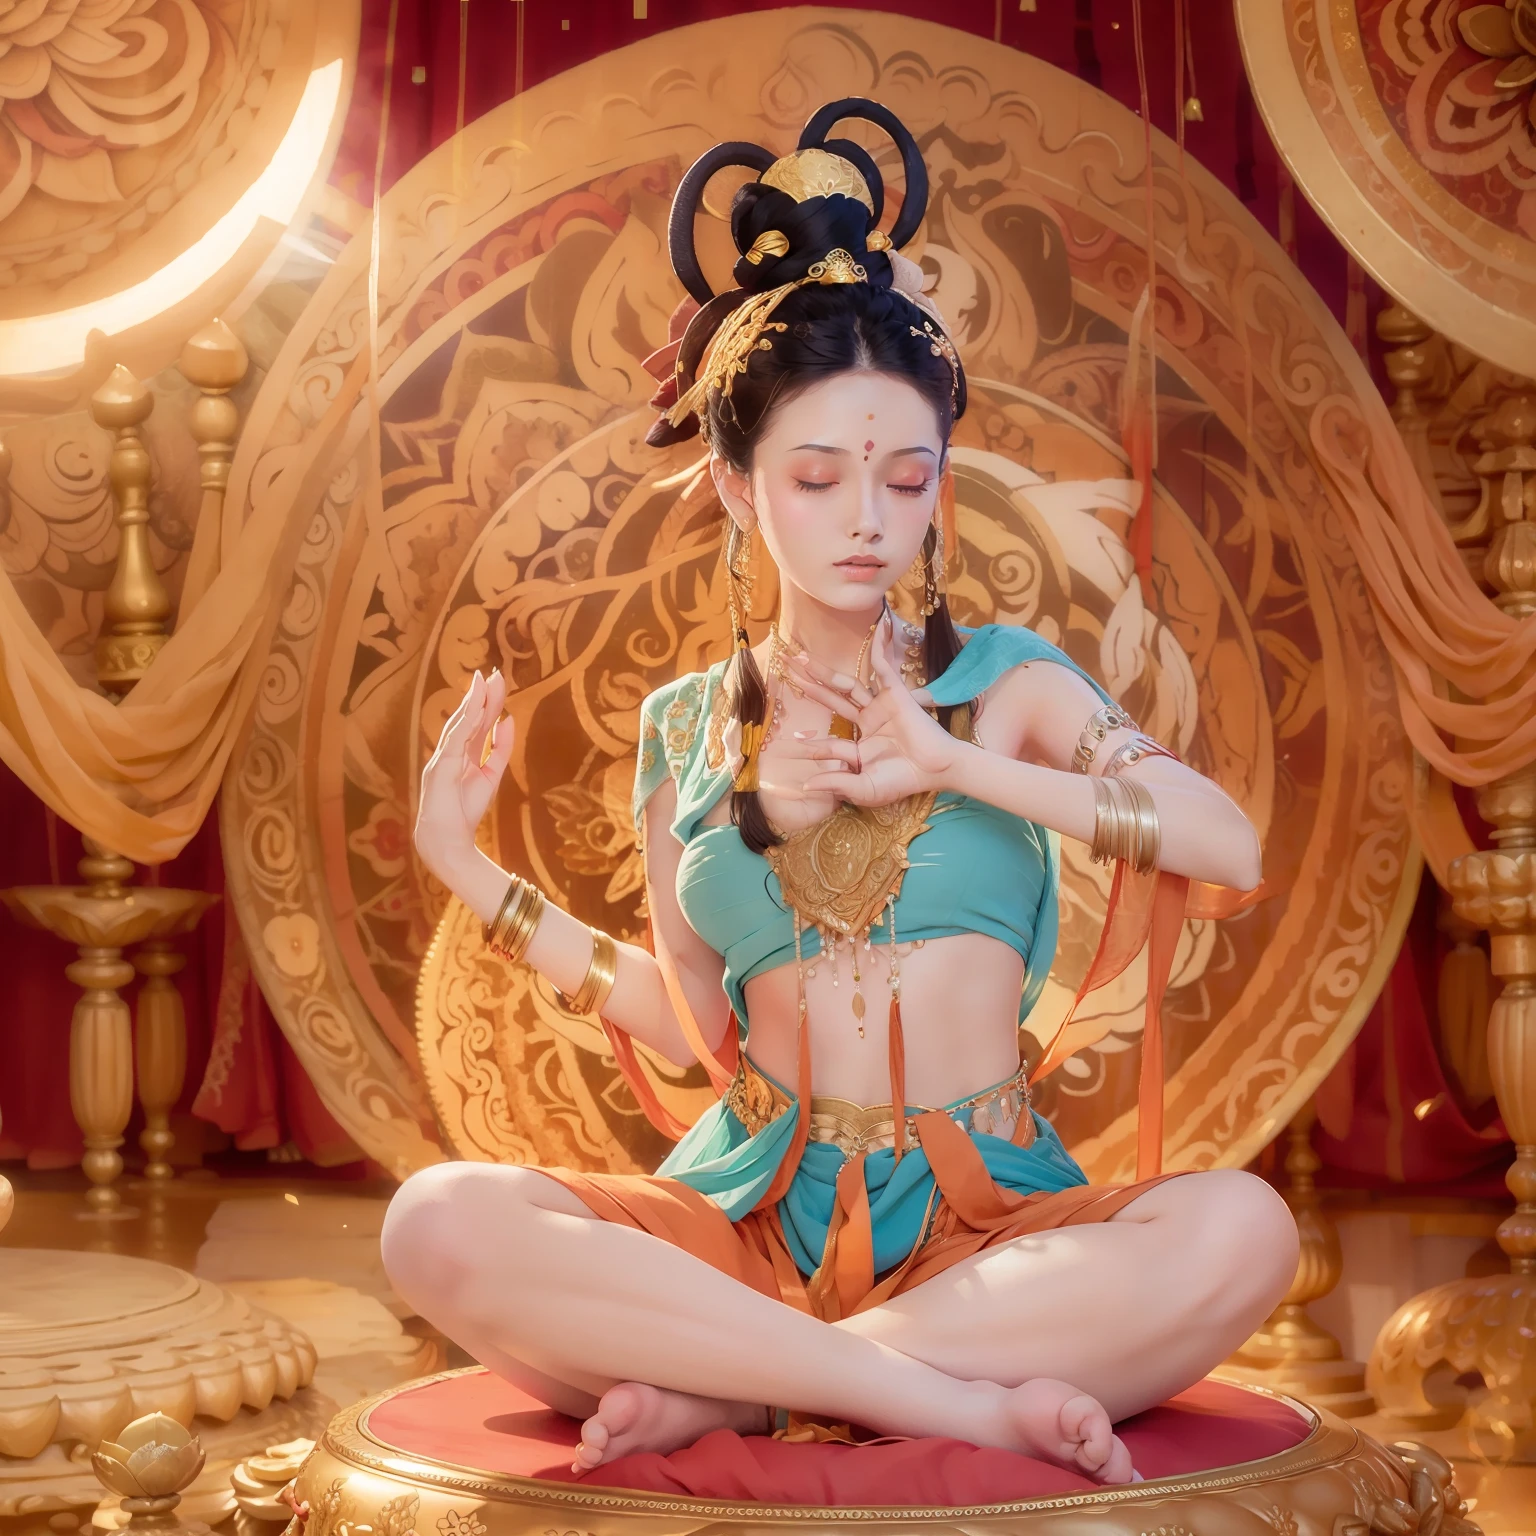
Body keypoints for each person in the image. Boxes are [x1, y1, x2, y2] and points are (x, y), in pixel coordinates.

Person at [382, 98, 1297, 1489]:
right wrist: (469, 870)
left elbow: (1222, 841)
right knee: (435, 1223)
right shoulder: (686, 727)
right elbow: (692, 1033)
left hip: (990, 1235)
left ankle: (743, 1385)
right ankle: (913, 1394)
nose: (868, 516)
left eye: (906, 474)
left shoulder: (1012, 684)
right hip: (742, 1216)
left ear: (939, 483)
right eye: (818, 476)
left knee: (1246, 1232)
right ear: (741, 487)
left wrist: (958, 765)